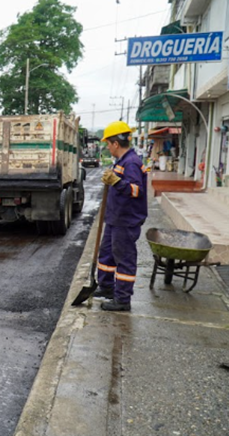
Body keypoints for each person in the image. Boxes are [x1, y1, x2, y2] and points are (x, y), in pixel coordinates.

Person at [93, 121, 148, 311]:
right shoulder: (122, 161)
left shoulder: (131, 162)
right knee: (107, 254)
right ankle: (107, 288)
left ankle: (123, 300)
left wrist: (116, 182)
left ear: (116, 143)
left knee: (124, 258)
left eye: (108, 143)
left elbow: (136, 190)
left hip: (126, 220)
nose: (107, 147)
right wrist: (113, 178)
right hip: (115, 218)